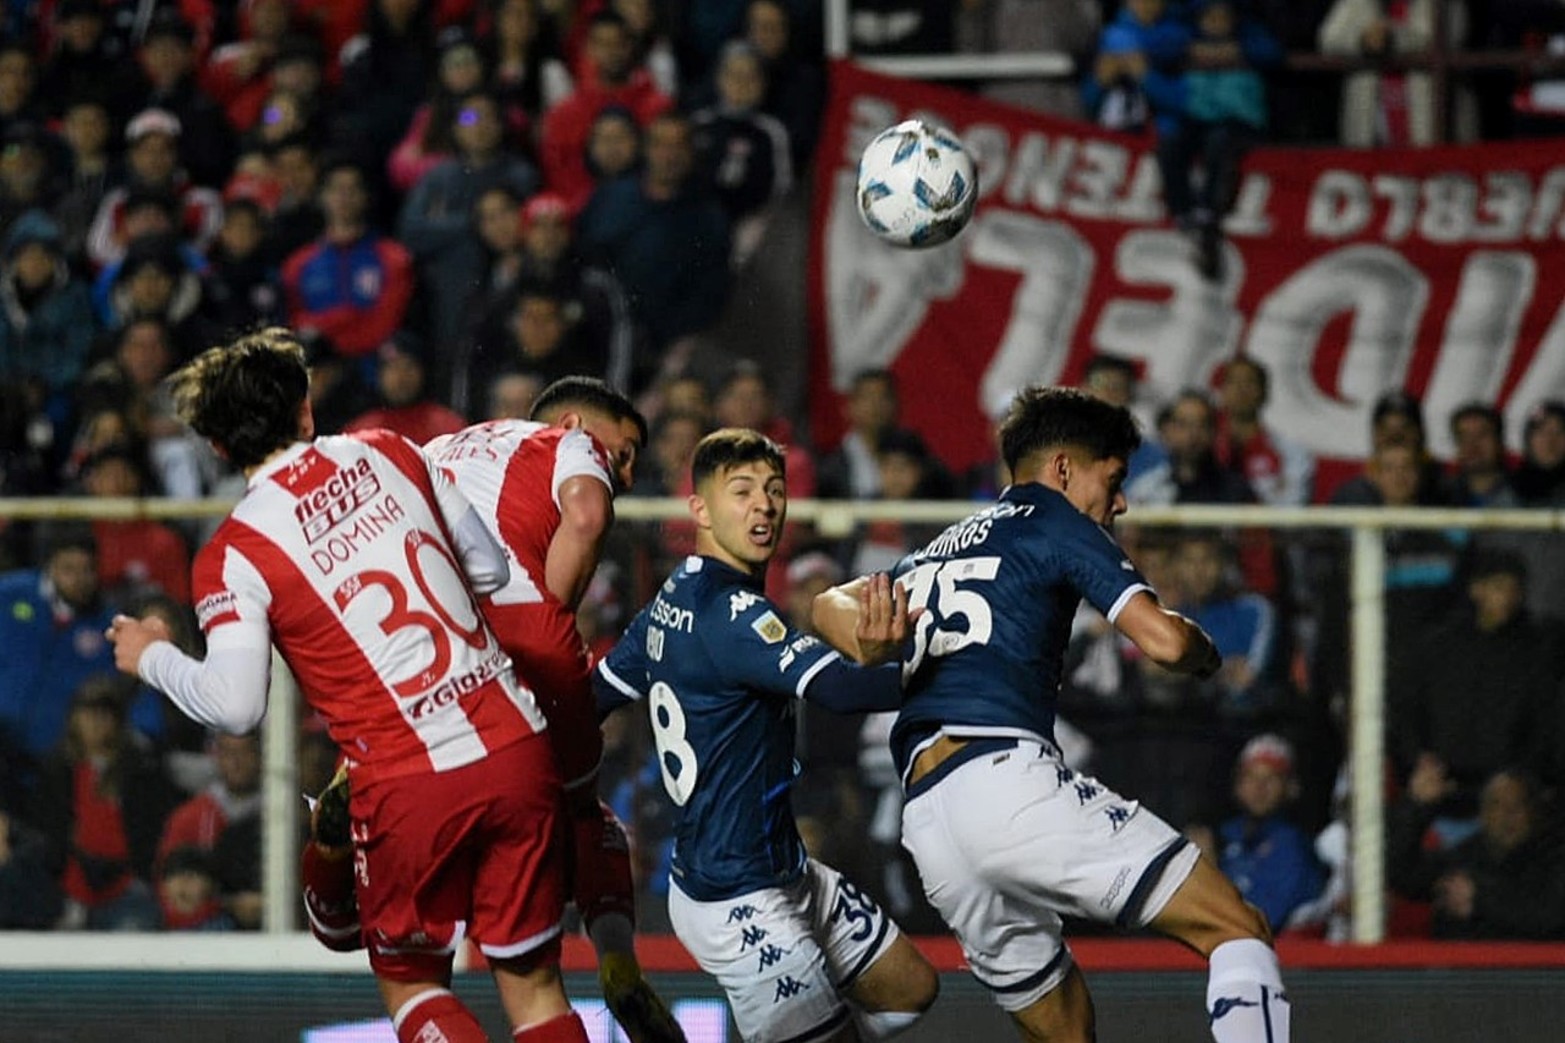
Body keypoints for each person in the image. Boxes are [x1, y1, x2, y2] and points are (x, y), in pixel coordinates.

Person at [104, 328, 589, 1043]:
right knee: (534, 983)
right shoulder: (389, 450)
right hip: (515, 743)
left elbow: (237, 706)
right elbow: (486, 571)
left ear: (217, 447)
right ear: (305, 410)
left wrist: (152, 657)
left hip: (406, 777)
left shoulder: (234, 552)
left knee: (412, 977)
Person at [813, 386, 1289, 1043]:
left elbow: (826, 608)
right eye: (1114, 478)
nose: (1119, 502)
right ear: (1063, 467)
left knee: (1062, 1028)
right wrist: (1205, 653)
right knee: (1235, 926)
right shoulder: (1054, 518)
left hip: (929, 819)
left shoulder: (935, 550)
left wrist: (848, 626)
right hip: (1005, 781)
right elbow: (1163, 641)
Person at [306, 375, 686, 1043]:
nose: (627, 470)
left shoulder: (431, 450)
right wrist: (546, 614)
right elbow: (588, 515)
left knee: (394, 954)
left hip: (417, 650)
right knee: (573, 835)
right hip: (521, 643)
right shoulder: (564, 444)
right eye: (622, 450)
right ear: (570, 421)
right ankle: (618, 962)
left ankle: (333, 852)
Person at [594, 428, 939, 1043]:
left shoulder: (670, 599)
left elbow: (597, 695)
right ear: (699, 508)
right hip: (736, 896)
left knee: (912, 988)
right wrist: (940, 669)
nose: (764, 506)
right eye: (743, 491)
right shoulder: (737, 615)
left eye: (775, 491)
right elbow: (839, 691)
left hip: (779, 869)